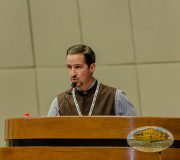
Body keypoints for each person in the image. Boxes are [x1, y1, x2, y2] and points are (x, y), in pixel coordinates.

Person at [47, 44, 139, 116]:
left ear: (92, 68)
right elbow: (47, 134)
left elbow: (138, 129)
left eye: (78, 67)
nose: (73, 73)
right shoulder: (60, 102)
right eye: (69, 67)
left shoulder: (115, 97)